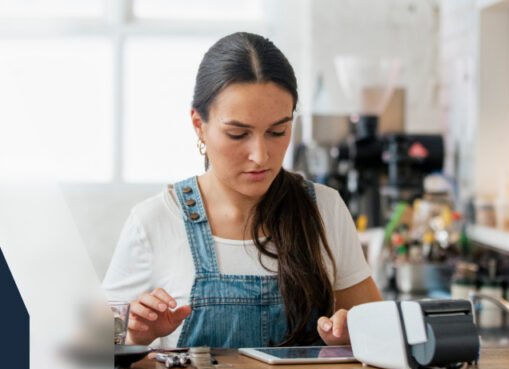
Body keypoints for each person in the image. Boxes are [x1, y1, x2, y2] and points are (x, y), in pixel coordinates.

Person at [102, 32, 382, 348]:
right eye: (238, 134)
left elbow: (383, 337)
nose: (261, 156)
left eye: (278, 131)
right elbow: (88, 352)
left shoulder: (325, 209)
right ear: (199, 125)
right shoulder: (154, 221)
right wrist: (132, 337)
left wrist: (352, 336)